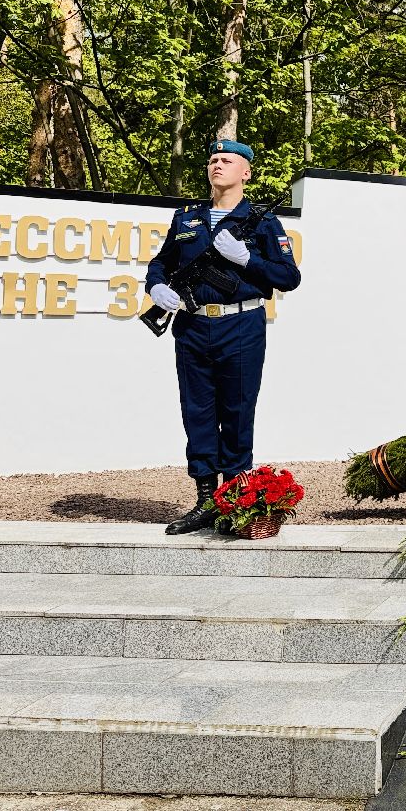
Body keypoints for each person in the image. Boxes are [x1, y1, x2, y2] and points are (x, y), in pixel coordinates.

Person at [146, 139, 302, 534]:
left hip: (241, 326)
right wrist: (156, 287)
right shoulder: (187, 218)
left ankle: (234, 499)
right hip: (194, 326)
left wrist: (247, 259)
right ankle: (204, 500)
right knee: (197, 411)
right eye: (213, 159)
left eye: (226, 160)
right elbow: (162, 262)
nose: (217, 165)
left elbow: (289, 277)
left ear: (245, 172)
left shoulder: (263, 222)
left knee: (236, 410)